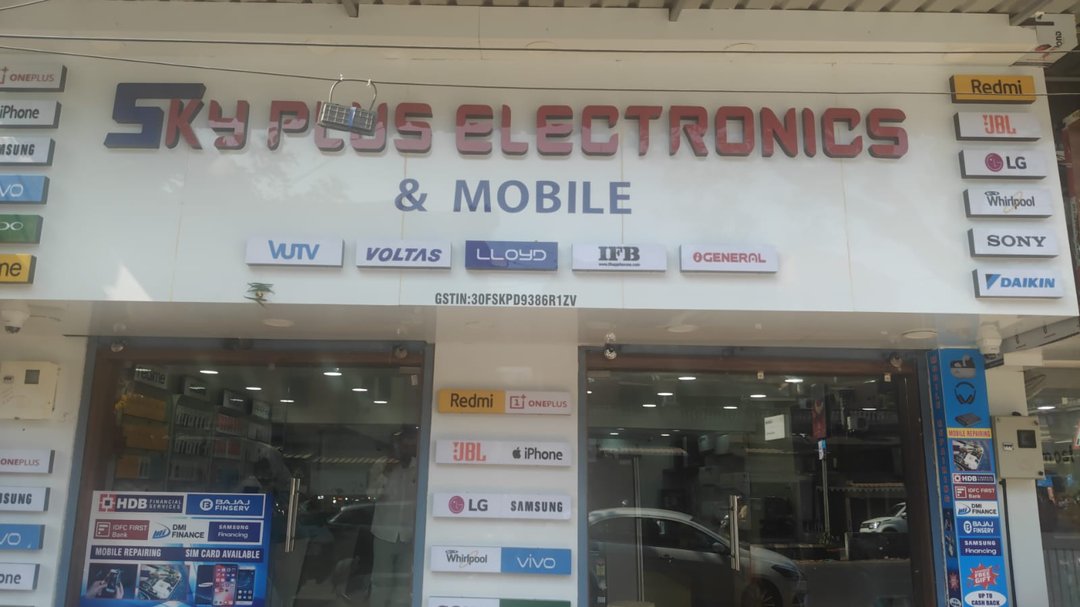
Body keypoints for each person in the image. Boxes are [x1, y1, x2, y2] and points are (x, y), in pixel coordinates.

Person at [368, 426, 418, 607]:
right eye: (403, 445)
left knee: (404, 584)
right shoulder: (380, 465)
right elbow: (371, 495)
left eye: (410, 445)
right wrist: (385, 473)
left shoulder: (419, 467)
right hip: (384, 533)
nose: (406, 449)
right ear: (396, 446)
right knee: (380, 582)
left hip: (409, 535)